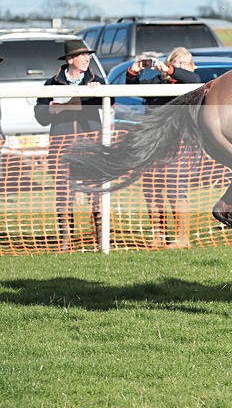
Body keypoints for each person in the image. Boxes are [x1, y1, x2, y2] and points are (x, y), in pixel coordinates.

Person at [34, 39, 108, 251]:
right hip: (61, 148)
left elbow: (110, 102)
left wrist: (98, 91)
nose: (87, 59)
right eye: (82, 55)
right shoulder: (51, 84)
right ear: (69, 59)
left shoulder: (96, 80)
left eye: (88, 55)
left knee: (96, 193)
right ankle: (66, 241)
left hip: (91, 147)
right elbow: (40, 115)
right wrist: (50, 110)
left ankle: (101, 239)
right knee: (64, 195)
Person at [126, 47, 201, 248]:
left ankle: (182, 238)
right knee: (151, 189)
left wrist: (171, 70)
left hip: (178, 144)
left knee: (175, 189)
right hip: (153, 144)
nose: (182, 66)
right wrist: (133, 72)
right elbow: (133, 89)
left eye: (186, 63)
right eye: (178, 62)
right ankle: (158, 236)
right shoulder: (156, 82)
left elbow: (193, 79)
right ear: (169, 62)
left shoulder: (192, 83)